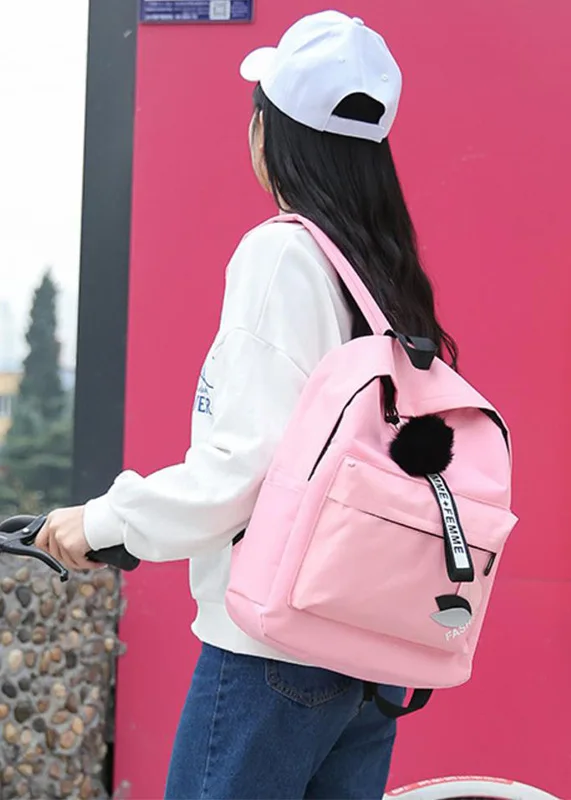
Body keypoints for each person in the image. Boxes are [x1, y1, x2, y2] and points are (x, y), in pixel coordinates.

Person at [35, 10, 458, 799]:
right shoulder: (382, 274)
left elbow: (243, 470)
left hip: (276, 654)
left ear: (274, 134)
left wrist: (100, 522)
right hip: (368, 654)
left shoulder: (283, 254)